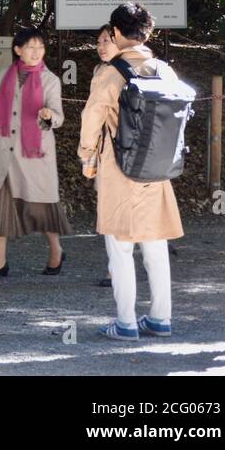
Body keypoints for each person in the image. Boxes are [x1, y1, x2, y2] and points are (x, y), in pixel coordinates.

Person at [78, 2, 183, 340]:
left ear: (119, 33)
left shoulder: (110, 73)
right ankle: (160, 319)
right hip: (158, 169)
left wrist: (87, 159)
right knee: (155, 245)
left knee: (121, 247)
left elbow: (91, 120)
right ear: (147, 33)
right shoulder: (166, 71)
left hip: (119, 168)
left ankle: (125, 322)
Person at [0, 27, 69, 280]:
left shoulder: (50, 80)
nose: (35, 52)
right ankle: (0, 263)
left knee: (41, 210)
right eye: (30, 47)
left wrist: (48, 115)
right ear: (18, 50)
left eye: (39, 47)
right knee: (0, 206)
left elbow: (59, 117)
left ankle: (56, 251)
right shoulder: (4, 75)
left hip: (34, 154)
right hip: (5, 151)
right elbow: (0, 107)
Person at [93, 24, 118, 289]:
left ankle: (117, 270)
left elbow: (93, 115)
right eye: (98, 41)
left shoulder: (120, 72)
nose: (101, 46)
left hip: (118, 151)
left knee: (114, 212)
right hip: (105, 149)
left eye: (107, 41)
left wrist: (86, 150)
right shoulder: (99, 70)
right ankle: (114, 267)